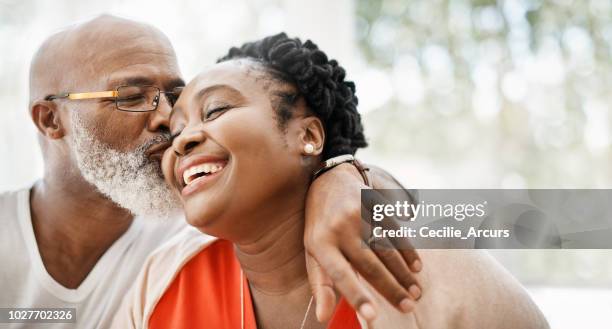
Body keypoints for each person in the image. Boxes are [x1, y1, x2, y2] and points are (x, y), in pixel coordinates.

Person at [0, 15, 423, 329]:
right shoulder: (173, 265)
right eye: (131, 96)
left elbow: (474, 219)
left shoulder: (200, 229)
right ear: (50, 120)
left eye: (174, 97)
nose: (169, 121)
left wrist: (347, 175)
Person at [114, 33, 549, 329]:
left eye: (215, 111)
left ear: (307, 136)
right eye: (175, 132)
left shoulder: (422, 262)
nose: (183, 139)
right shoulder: (163, 280)